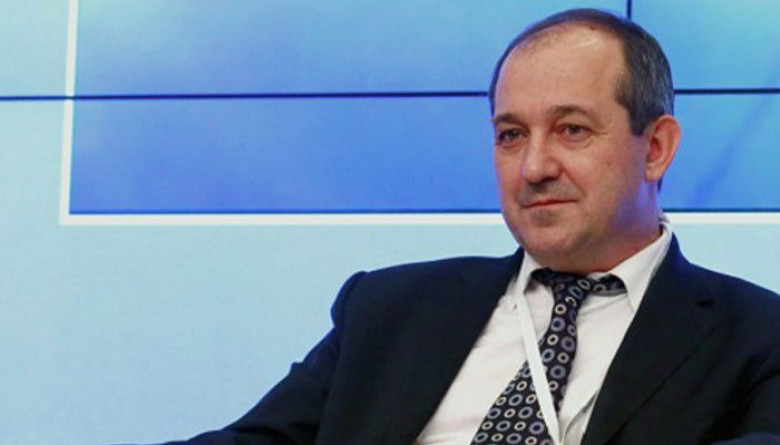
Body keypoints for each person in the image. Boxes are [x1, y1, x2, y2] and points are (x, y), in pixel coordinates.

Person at [147, 8, 780, 445]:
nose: (534, 167)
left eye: (571, 130)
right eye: (511, 135)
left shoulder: (756, 337)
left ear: (656, 148)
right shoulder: (387, 309)